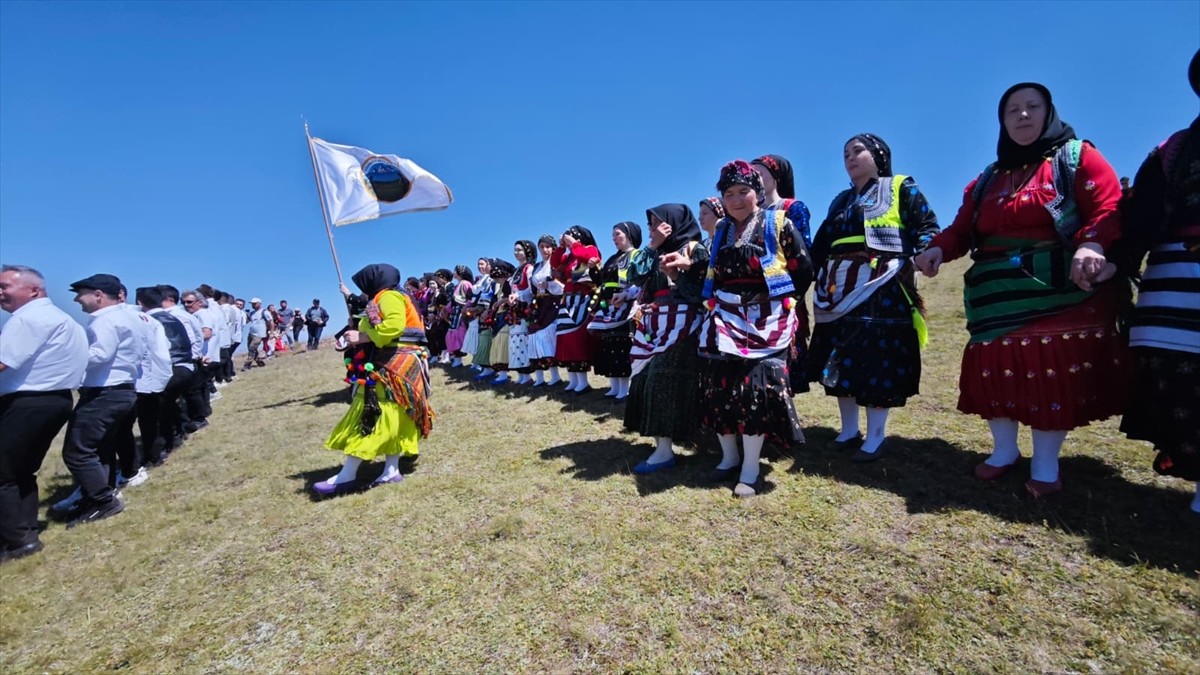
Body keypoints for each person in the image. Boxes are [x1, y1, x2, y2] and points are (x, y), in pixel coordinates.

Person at [914, 82, 1129, 498]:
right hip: (993, 294)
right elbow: (962, 229)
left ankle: (1045, 463)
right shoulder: (987, 180)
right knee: (996, 371)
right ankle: (1004, 451)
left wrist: (1092, 242)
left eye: (1033, 106)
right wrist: (938, 249)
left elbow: (1108, 205)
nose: (1023, 115)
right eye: (1013, 109)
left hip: (1058, 290)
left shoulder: (1076, 158)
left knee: (1049, 371)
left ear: (1049, 113)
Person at [805, 134, 941, 461]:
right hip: (838, 289)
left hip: (883, 285)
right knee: (842, 357)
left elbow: (926, 225)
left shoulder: (899, 188)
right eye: (845, 154)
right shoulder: (840, 200)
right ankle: (849, 430)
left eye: (858, 151)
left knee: (877, 360)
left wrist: (927, 251)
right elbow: (822, 243)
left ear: (878, 155)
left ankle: (876, 436)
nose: (850, 158)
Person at [1114, 50, 1200, 513]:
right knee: (1182, 386)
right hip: (1177, 288)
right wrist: (1114, 260)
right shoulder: (1173, 150)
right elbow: (1140, 217)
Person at [698, 161, 813, 497]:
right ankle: (728, 458)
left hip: (767, 317)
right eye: (729, 193)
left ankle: (751, 467)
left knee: (755, 390)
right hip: (723, 315)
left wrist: (778, 296)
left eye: (743, 192)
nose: (736, 199)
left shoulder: (778, 223)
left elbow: (803, 268)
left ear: (758, 193)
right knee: (718, 386)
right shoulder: (720, 231)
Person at [316, 264, 433, 495]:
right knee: (392, 414)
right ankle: (390, 469)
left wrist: (362, 336)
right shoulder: (389, 295)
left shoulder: (388, 296)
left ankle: (347, 475)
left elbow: (392, 326)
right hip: (401, 360)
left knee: (373, 411)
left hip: (393, 363)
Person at [0, 265, 87, 562]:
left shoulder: (29, 318)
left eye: (5, 286)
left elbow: (2, 361)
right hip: (55, 400)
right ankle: (23, 531)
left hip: (28, 401)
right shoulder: (64, 320)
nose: (0, 293)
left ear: (33, 290)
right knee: (20, 471)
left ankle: (17, 541)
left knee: (4, 473)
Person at [623, 206, 707, 471]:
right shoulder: (656, 251)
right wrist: (652, 245)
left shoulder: (695, 249)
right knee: (644, 376)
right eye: (650, 225)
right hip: (655, 325)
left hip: (685, 326)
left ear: (674, 222)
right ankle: (661, 443)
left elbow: (699, 292)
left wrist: (676, 276)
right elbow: (634, 276)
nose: (653, 229)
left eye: (658, 224)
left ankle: (665, 450)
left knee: (662, 378)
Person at [61, 273, 146, 526]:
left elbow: (100, 354)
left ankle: (103, 501)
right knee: (102, 448)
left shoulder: (104, 319)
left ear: (98, 295)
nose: (78, 300)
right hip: (122, 389)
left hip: (104, 391)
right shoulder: (130, 316)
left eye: (81, 294)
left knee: (77, 452)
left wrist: (67, 353)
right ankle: (99, 494)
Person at [587, 222, 642, 399]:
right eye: (613, 235)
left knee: (622, 344)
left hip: (626, 306)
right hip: (609, 306)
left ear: (629, 235)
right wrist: (594, 269)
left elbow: (640, 281)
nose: (613, 238)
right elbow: (603, 280)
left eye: (617, 234)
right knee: (609, 344)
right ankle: (614, 385)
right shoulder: (612, 258)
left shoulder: (636, 255)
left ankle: (625, 388)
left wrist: (626, 295)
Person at [552, 226, 602, 393]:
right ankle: (572, 378)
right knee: (565, 336)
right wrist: (560, 247)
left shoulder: (589, 249)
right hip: (568, 299)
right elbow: (555, 264)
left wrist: (573, 244)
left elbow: (588, 257)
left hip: (582, 299)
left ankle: (582, 380)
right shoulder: (568, 256)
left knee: (577, 337)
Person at [528, 236, 564, 387]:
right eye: (542, 246)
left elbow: (562, 287)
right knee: (535, 338)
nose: (545, 250)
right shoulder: (536, 267)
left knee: (548, 337)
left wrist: (549, 285)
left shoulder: (557, 265)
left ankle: (555, 376)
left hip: (553, 303)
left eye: (547, 246)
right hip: (539, 305)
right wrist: (517, 295)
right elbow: (531, 290)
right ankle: (540, 377)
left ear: (553, 248)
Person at [506, 241, 538, 385]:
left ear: (527, 251)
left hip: (524, 309)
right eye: (514, 250)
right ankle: (521, 375)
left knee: (523, 341)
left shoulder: (529, 268)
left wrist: (518, 295)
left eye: (519, 250)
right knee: (515, 341)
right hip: (515, 311)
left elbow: (532, 291)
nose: (516, 253)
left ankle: (528, 375)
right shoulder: (517, 270)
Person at [444, 265, 475, 367]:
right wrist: (446, 309)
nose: (453, 273)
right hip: (455, 314)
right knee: (452, 335)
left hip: (462, 315)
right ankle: (457, 358)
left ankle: (460, 358)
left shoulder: (465, 284)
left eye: (455, 271)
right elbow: (453, 302)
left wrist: (466, 308)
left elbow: (471, 298)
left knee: (460, 336)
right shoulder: (458, 285)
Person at [243, 298, 269, 369]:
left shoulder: (264, 312)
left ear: (259, 303)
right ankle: (260, 362)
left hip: (259, 334)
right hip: (251, 333)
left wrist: (271, 332)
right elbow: (248, 321)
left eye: (254, 303)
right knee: (251, 348)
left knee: (252, 348)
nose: (253, 305)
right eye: (252, 304)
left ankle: (247, 364)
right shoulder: (252, 313)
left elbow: (270, 321)